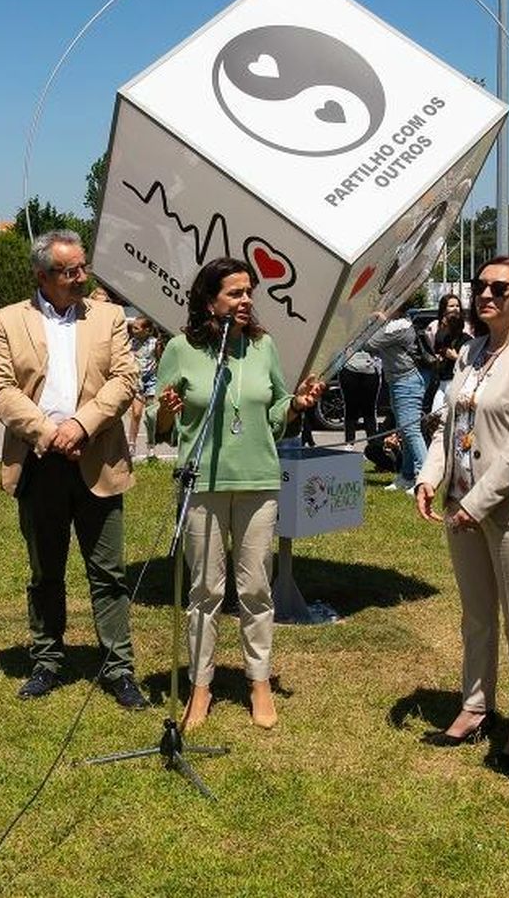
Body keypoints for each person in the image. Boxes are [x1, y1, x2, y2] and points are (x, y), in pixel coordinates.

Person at [149, 258, 323, 732]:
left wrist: (299, 405)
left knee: (255, 588)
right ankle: (200, 687)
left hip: (259, 481)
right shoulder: (180, 349)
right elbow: (157, 425)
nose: (246, 301)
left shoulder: (264, 347)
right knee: (204, 589)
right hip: (202, 482)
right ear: (210, 300)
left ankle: (259, 681)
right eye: (235, 293)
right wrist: (166, 412)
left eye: (249, 292)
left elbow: (275, 413)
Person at [0, 229, 147, 710]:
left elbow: (126, 377)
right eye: (69, 271)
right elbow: (0, 388)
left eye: (82, 268)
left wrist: (82, 425)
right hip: (40, 462)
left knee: (109, 574)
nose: (80, 277)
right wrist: (47, 432)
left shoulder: (109, 316)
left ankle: (119, 669)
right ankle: (47, 660)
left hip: (97, 457)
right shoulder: (7, 320)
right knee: (45, 572)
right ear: (42, 275)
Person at [414, 256, 509, 759]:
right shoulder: (471, 352)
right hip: (460, 504)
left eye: (501, 287)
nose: (487, 294)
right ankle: (475, 705)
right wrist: (430, 476)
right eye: (481, 285)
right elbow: (451, 422)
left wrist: (478, 503)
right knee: (476, 616)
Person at [367, 302, 430, 492]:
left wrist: (379, 321)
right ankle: (407, 475)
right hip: (399, 381)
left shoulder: (398, 326)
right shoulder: (398, 324)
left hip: (406, 382)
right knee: (405, 431)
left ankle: (424, 478)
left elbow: (370, 343)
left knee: (411, 431)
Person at [426, 293, 469, 413]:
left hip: (457, 380)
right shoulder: (434, 327)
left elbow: (471, 360)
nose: (455, 308)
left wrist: (455, 357)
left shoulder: (467, 332)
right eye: (451, 306)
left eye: (457, 305)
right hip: (441, 377)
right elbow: (433, 348)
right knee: (436, 413)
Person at [126, 316, 159, 459]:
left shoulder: (155, 343)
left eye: (136, 328)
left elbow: (160, 359)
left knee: (151, 416)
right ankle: (131, 445)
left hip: (152, 381)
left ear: (147, 330)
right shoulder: (130, 343)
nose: (133, 330)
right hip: (137, 380)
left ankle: (151, 447)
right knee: (136, 413)